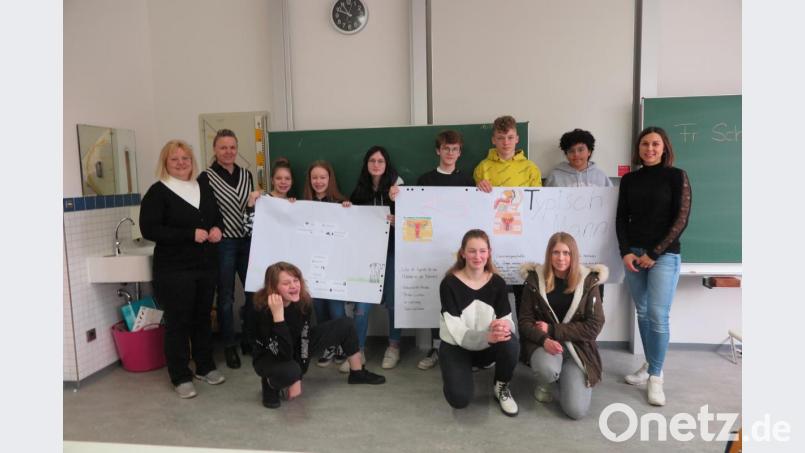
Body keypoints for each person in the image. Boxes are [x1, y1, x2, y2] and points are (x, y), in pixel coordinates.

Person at [139, 139, 225, 398]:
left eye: (185, 158)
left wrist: (217, 229)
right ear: (165, 162)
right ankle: (179, 375)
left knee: (202, 316)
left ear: (192, 161)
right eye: (175, 159)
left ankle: (204, 366)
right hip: (175, 269)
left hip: (205, 265)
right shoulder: (158, 191)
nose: (181, 163)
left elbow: (216, 216)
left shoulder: (201, 187)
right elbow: (149, 230)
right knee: (178, 322)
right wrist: (190, 234)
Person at [616, 126, 692, 406]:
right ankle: (649, 366)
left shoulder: (676, 177)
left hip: (664, 256)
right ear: (638, 148)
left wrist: (655, 253)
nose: (650, 149)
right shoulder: (630, 180)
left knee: (658, 316)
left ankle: (656, 377)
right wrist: (625, 252)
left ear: (664, 148)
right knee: (644, 312)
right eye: (645, 144)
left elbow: (681, 219)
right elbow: (621, 219)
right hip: (633, 255)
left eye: (655, 144)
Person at [389, 130, 474, 370]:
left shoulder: (468, 181)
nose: (450, 153)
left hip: (459, 250)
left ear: (459, 152)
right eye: (446, 148)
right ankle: (436, 348)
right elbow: (417, 213)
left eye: (454, 149)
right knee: (432, 296)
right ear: (438, 151)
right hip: (430, 249)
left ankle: (463, 348)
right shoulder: (425, 179)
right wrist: (398, 199)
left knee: (460, 298)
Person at [252, 262, 386, 409]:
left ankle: (357, 373)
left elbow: (304, 338)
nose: (294, 286)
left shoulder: (303, 301)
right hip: (271, 357)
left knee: (346, 325)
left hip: (295, 347)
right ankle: (270, 383)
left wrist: (299, 376)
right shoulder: (261, 309)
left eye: (296, 280)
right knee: (291, 370)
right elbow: (282, 353)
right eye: (286, 283)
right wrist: (278, 316)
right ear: (274, 287)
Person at [518, 232, 606, 420]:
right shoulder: (534, 280)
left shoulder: (589, 281)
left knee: (576, 411)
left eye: (566, 253)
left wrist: (552, 330)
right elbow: (525, 322)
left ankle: (567, 377)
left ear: (573, 255)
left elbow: (595, 325)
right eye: (556, 252)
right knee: (547, 370)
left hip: (577, 349)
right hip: (546, 346)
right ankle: (547, 381)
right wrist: (544, 339)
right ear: (549, 255)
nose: (561, 258)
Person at [197, 129, 261, 369]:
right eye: (223, 147)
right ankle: (229, 345)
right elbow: (205, 210)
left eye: (232, 147)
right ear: (214, 149)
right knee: (225, 297)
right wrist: (216, 228)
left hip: (248, 241)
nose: (228, 151)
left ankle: (248, 338)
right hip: (223, 244)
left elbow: (250, 207)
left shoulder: (246, 174)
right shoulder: (206, 177)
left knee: (254, 293)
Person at [438, 229, 520, 416]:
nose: (478, 256)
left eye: (482, 251)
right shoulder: (449, 284)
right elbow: (455, 328)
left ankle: (501, 387)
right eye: (472, 251)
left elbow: (506, 318)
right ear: (463, 253)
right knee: (459, 400)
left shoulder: (497, 283)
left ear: (489, 253)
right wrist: (487, 336)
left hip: (487, 346)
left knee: (510, 341)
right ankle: (456, 372)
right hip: (457, 347)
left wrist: (502, 327)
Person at [473, 115, 542, 318]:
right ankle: (495, 338)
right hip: (493, 238)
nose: (506, 142)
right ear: (493, 140)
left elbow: (536, 205)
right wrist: (478, 188)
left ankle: (525, 342)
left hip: (522, 239)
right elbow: (476, 205)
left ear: (517, 139)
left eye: (510, 137)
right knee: (493, 289)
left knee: (524, 291)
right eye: (501, 138)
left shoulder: (531, 168)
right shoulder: (482, 168)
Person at [349, 146, 404, 371]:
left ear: (386, 164)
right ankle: (358, 350)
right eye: (372, 160)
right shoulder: (360, 189)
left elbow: (415, 219)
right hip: (366, 254)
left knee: (392, 302)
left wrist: (398, 216)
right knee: (361, 305)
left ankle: (393, 346)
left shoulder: (398, 187)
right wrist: (346, 209)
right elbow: (352, 221)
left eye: (380, 161)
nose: (376, 165)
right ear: (366, 164)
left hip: (392, 250)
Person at [302, 160, 353, 367]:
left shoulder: (341, 202)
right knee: (319, 307)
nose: (318, 181)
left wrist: (349, 210)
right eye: (314, 177)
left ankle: (340, 343)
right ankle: (328, 344)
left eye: (323, 177)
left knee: (336, 307)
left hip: (335, 265)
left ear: (330, 179)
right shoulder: (302, 204)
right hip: (312, 265)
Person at [544, 128, 613, 187]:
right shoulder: (555, 177)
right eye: (571, 151)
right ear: (566, 154)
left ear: (589, 151)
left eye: (580, 150)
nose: (576, 154)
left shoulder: (601, 176)